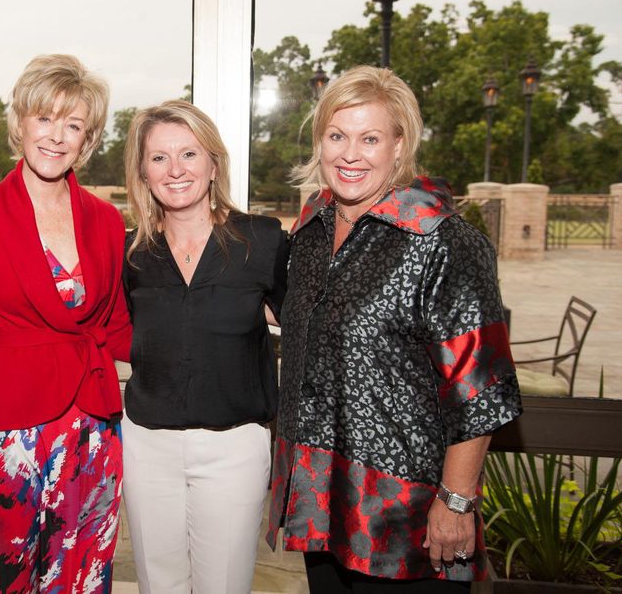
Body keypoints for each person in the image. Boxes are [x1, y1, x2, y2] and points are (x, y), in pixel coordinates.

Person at [266, 65, 522, 592]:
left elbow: (481, 392)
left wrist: (456, 504)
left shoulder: (445, 242)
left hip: (406, 523)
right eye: (337, 136)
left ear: (400, 146)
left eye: (370, 138)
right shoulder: (312, 228)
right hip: (322, 503)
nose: (350, 154)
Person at [0, 54, 132, 594]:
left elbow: (117, 323)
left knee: (81, 577)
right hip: (6, 435)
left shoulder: (104, 219)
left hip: (92, 433)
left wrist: (208, 336)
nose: (56, 136)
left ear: (88, 138)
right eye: (45, 119)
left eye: (73, 125)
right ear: (20, 122)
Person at [121, 100, 288, 593]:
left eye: (189, 154)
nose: (175, 170)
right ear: (144, 173)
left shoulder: (263, 240)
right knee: (159, 586)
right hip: (147, 445)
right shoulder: (131, 253)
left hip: (234, 445)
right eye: (158, 158)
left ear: (214, 164)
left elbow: (304, 327)